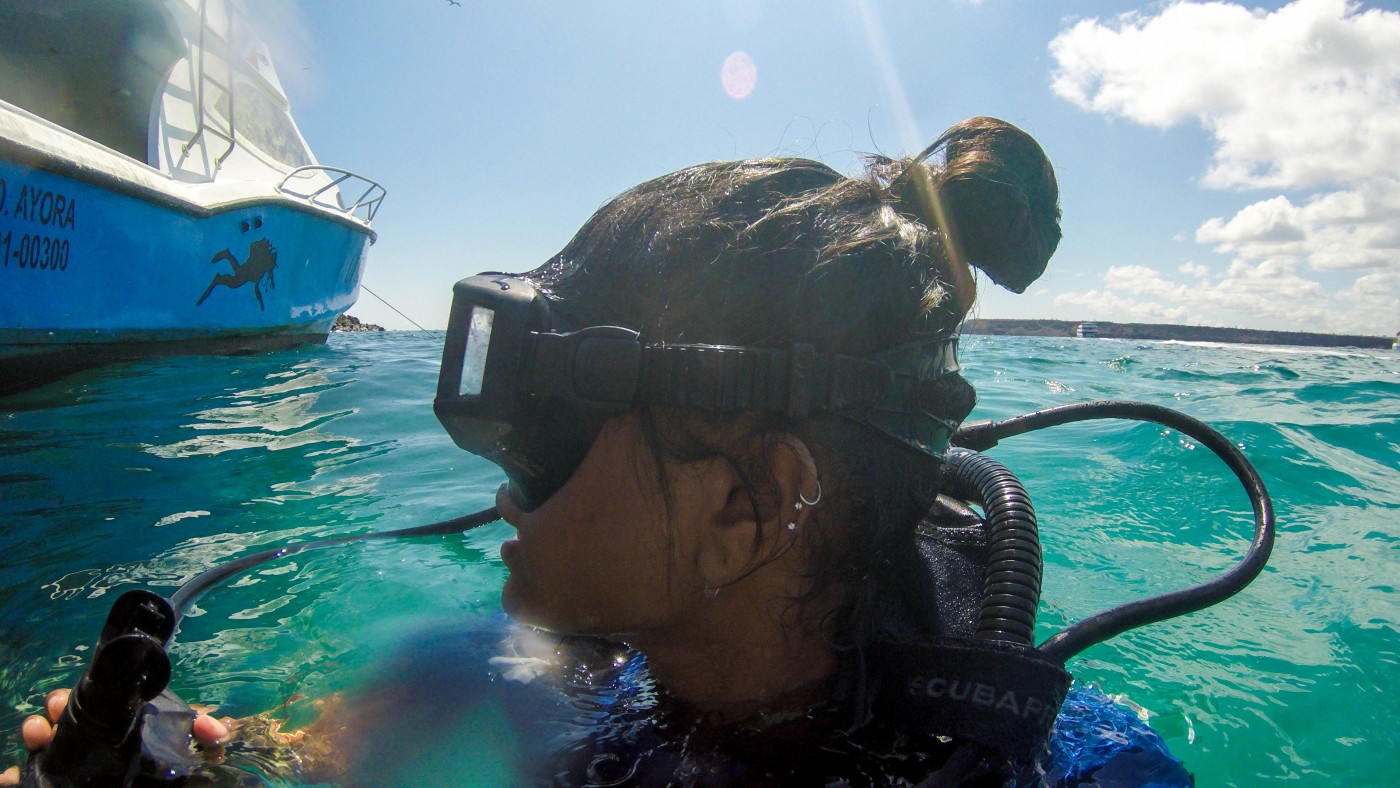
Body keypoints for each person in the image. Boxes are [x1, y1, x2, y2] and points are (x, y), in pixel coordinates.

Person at [5, 117, 1192, 786]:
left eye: (548, 414)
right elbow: (313, 757)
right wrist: (196, 760)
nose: (499, 466)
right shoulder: (528, 666)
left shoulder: (1083, 771)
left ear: (746, 505)